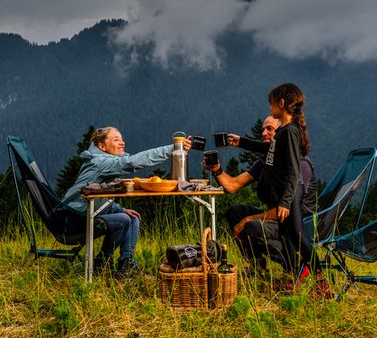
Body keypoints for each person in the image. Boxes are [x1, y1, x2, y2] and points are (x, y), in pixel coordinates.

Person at [208, 85, 315, 279]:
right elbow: (234, 184)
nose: (269, 109)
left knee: (297, 237)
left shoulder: (290, 134)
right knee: (237, 213)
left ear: (281, 104)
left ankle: (312, 272)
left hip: (290, 203)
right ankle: (263, 268)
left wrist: (282, 203)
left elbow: (293, 170)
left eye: (272, 104)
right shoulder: (282, 133)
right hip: (281, 207)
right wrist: (239, 143)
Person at [61, 127, 189, 278]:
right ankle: (101, 264)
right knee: (123, 220)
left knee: (131, 217)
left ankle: (125, 265)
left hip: (82, 213)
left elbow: (99, 194)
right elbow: (131, 162)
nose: (122, 143)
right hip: (70, 220)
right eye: (116, 140)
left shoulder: (106, 162)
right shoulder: (100, 162)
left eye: (121, 139)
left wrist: (120, 209)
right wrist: (172, 149)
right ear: (101, 146)